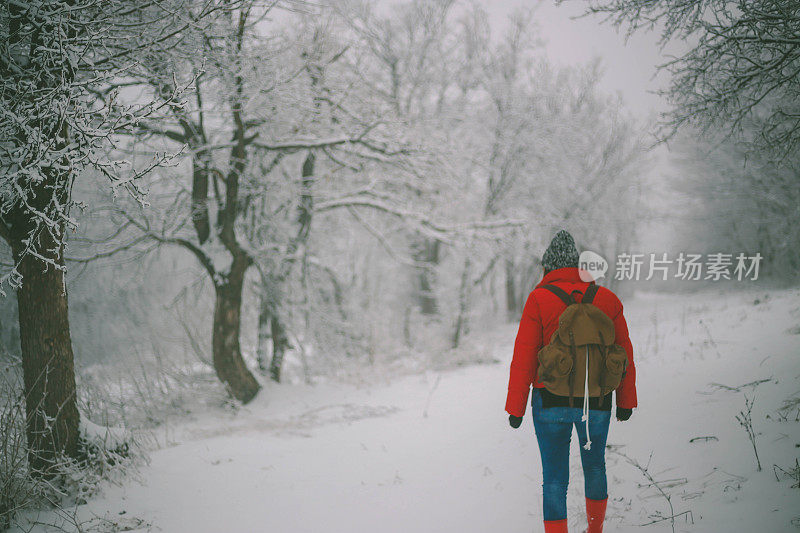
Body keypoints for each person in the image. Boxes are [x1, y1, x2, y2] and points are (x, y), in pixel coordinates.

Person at [505, 230, 637, 533]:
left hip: (549, 400)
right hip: (597, 401)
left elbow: (524, 356)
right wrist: (626, 400)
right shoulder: (606, 299)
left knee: (554, 477)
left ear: (547, 268)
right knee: (595, 466)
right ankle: (595, 530)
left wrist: (516, 408)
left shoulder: (538, 299)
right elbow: (624, 353)